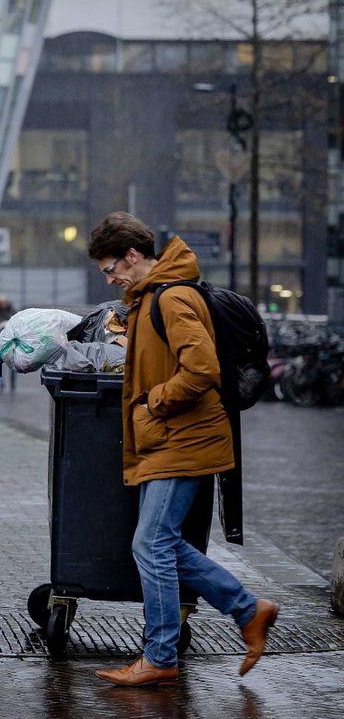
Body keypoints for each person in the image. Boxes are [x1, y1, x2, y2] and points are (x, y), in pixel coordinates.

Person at [85, 212, 278, 687]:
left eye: (111, 267)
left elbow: (201, 370)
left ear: (132, 255)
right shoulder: (153, 297)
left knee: (151, 543)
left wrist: (155, 402)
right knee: (161, 543)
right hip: (171, 439)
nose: (110, 278)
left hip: (182, 438)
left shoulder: (171, 298)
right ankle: (248, 610)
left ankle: (162, 654)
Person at [0, 295, 17, 391]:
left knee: (13, 363)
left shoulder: (11, 310)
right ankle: (2, 384)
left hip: (11, 341)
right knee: (2, 363)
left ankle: (12, 384)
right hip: (1, 341)